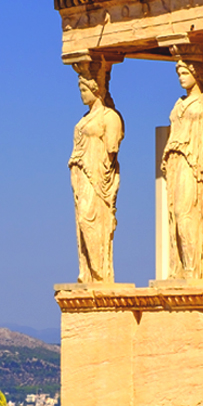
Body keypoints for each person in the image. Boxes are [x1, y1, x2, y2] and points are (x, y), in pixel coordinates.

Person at [162, 60, 203, 279]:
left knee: (186, 213)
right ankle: (179, 269)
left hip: (194, 164)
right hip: (175, 162)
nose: (181, 77)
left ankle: (192, 270)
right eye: (179, 73)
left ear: (196, 74)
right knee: (174, 216)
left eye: (185, 72)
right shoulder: (179, 103)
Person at [68, 64, 124, 283]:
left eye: (84, 90)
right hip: (81, 176)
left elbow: (112, 149)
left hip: (98, 177)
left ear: (96, 89)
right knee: (82, 221)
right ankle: (89, 273)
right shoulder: (85, 118)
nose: (81, 94)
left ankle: (100, 273)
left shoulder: (110, 117)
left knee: (89, 219)